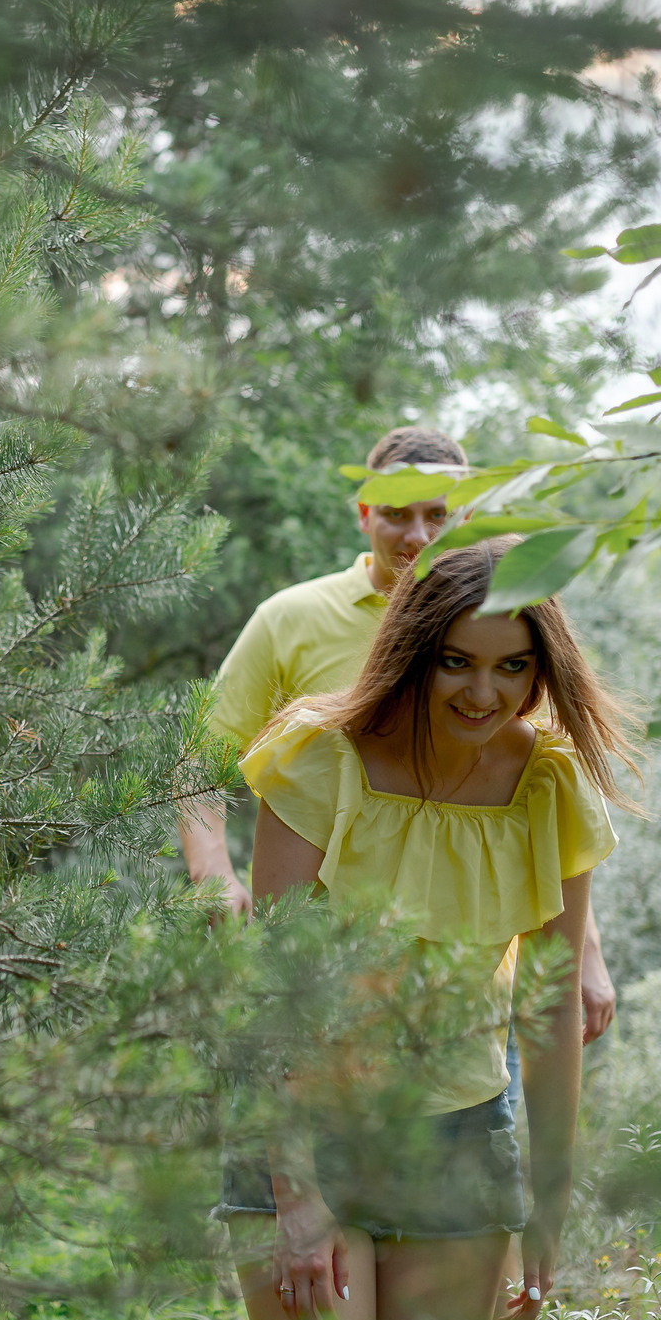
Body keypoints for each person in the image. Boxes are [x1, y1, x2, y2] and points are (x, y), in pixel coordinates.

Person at [218, 537, 639, 1320]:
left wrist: (547, 1205)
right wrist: (297, 1194)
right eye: (456, 660)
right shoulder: (320, 755)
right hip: (309, 1134)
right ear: (413, 649)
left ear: (542, 668)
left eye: (512, 666)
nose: (483, 692)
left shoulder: (550, 786)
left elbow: (547, 1009)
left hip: (459, 1144)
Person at [180, 426, 618, 1048]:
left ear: (467, 519)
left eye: (438, 515)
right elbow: (202, 759)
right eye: (396, 515)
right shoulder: (289, 619)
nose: (418, 536)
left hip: (475, 990)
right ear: (364, 515)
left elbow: (538, 815)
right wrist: (214, 874)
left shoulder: (502, 632)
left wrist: (585, 951)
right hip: (332, 988)